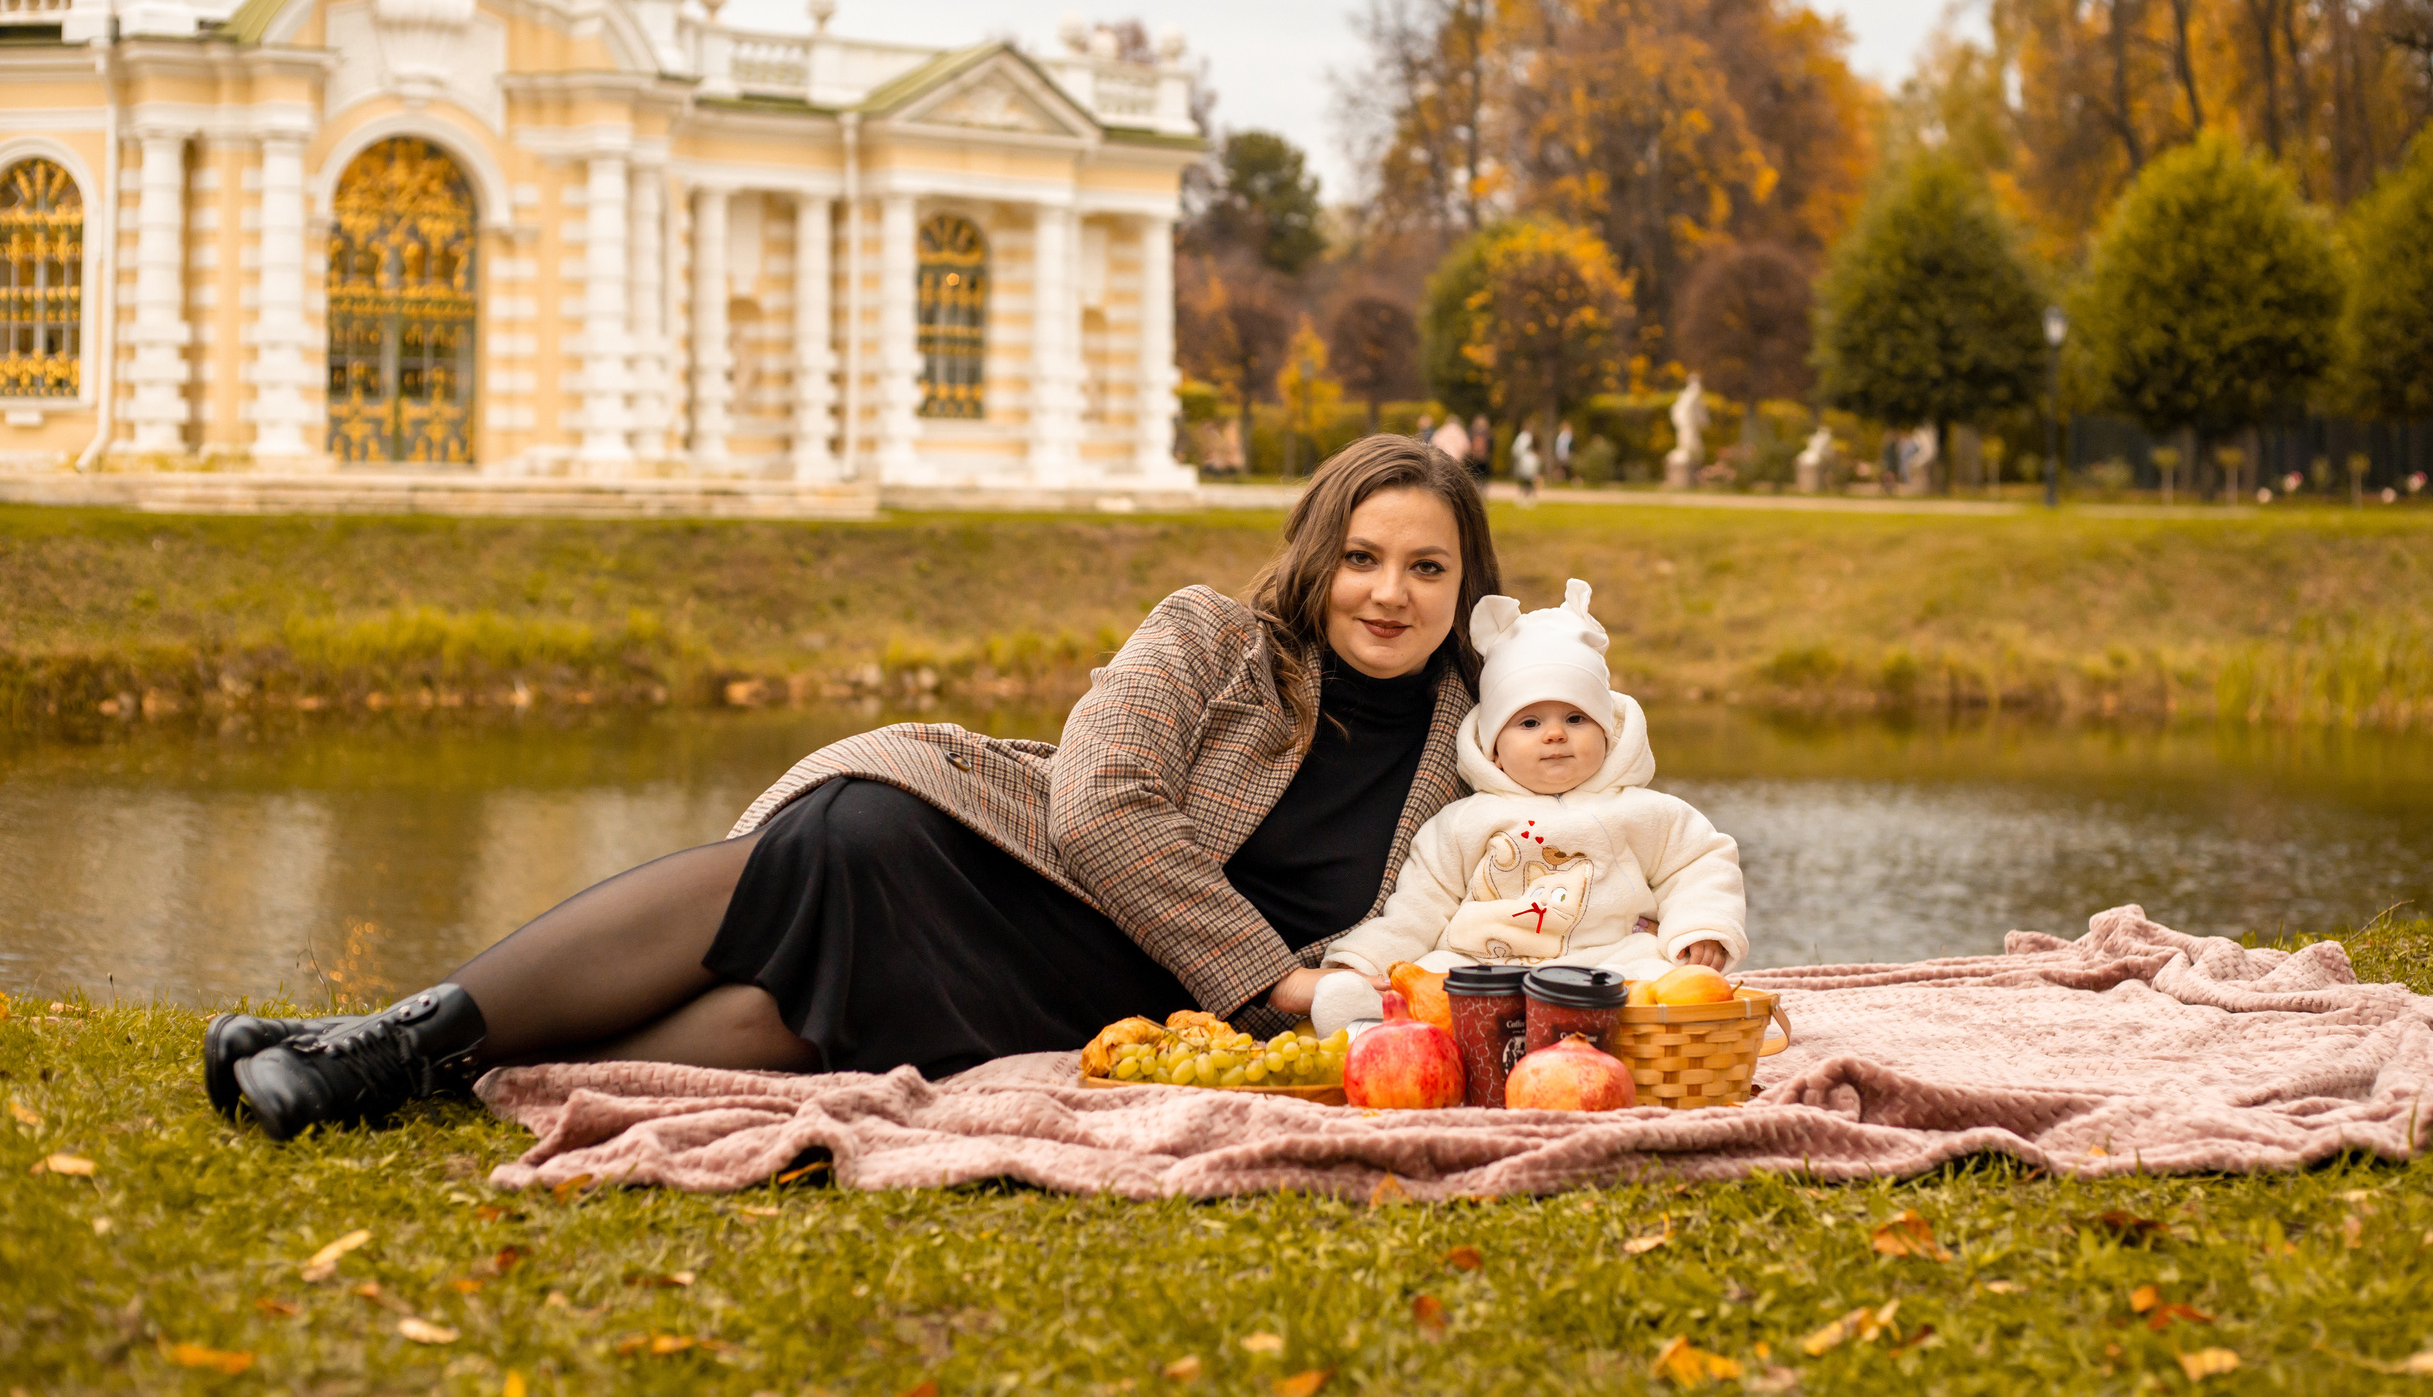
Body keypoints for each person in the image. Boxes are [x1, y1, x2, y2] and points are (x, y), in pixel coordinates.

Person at [208, 437, 1505, 1140]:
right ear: (1316, 556)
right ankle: (385, 1046)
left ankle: (394, 1064)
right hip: (1009, 868)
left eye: (1425, 567)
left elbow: (1529, 887)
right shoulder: (1213, 638)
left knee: (790, 1021)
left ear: (1466, 586)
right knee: (848, 840)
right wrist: (1276, 981)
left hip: (1109, 999)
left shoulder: (1471, 746)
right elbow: (1100, 808)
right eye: (1361, 555)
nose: (1387, 592)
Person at [1307, 579, 1746, 1035]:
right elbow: (1420, 906)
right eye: (1530, 722)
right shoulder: (1462, 821)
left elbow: (1700, 865)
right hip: (1479, 969)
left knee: (1669, 984)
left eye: (1576, 718)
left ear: (1608, 732)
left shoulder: (1648, 812)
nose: (1555, 735)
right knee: (1405, 987)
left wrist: (1703, 927)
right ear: (1494, 747)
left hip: (1608, 965)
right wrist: (1365, 960)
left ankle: (1699, 1027)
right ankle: (1366, 1025)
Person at [1510, 425, 1542, 501]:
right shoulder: (1526, 437)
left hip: (1526, 460)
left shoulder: (1524, 437)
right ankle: (1527, 494)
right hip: (1526, 460)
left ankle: (1526, 493)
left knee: (1527, 478)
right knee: (1527, 478)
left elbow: (1516, 450)